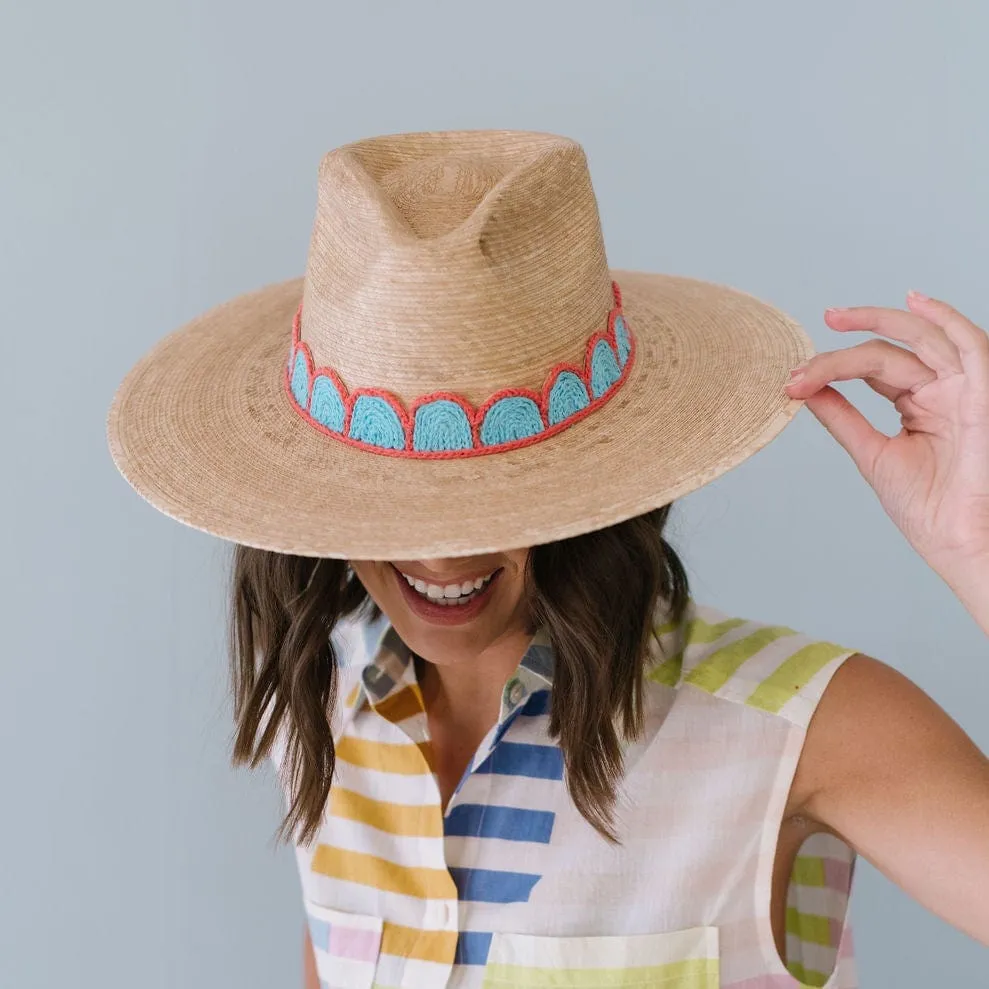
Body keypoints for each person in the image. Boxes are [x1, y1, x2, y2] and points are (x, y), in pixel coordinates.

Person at [107, 130, 988, 989]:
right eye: (390, 497)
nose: (444, 551)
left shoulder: (801, 723)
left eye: (495, 493)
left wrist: (976, 546)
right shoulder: (326, 707)